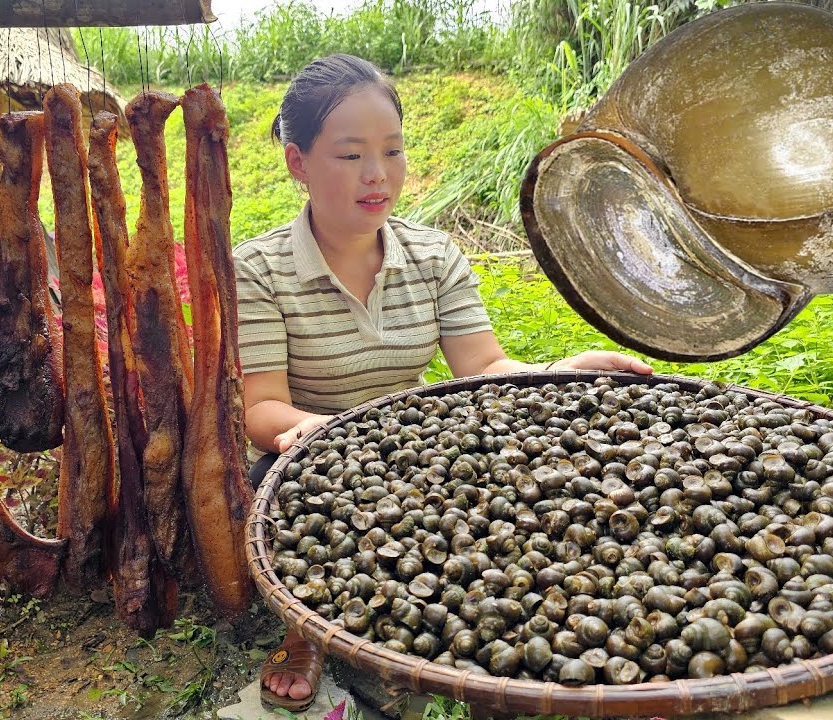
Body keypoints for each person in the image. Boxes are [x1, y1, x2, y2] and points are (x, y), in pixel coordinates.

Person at [235, 54, 653, 711]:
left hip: (414, 441)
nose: (378, 175)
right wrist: (318, 433)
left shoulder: (433, 256)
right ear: (298, 163)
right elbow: (261, 407)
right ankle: (310, 628)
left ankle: (475, 621)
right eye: (350, 156)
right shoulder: (257, 270)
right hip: (306, 454)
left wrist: (554, 374)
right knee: (326, 511)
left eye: (393, 150)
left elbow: (482, 368)